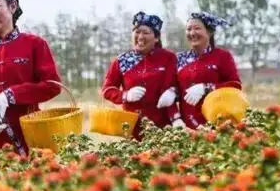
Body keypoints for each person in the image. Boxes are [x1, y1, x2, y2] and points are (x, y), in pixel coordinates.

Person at [0, 0, 61, 156]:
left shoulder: (34, 44)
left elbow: (52, 86)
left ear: (12, 6)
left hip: (28, 135)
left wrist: (12, 94)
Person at [101, 11, 181, 139]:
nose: (140, 36)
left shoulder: (168, 58)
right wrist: (125, 95)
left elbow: (178, 86)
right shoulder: (122, 60)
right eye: (137, 32)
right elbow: (107, 89)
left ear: (156, 38)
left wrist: (173, 93)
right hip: (133, 128)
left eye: (146, 32)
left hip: (163, 128)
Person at [175, 11, 242, 129]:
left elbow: (235, 85)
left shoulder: (222, 56)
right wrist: (175, 118)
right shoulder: (179, 59)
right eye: (189, 29)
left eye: (197, 28)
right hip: (187, 127)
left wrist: (207, 88)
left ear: (209, 32)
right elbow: (172, 90)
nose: (192, 33)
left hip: (218, 123)